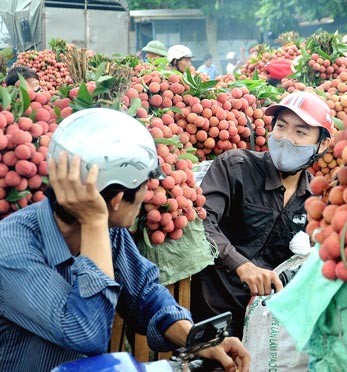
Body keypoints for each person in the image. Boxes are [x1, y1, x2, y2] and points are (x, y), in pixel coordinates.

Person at [0, 108, 249, 372]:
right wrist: (95, 224)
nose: (146, 196)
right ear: (117, 200)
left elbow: (146, 294)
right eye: (145, 185)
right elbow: (87, 333)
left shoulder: (110, 230)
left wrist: (194, 339)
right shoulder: (11, 248)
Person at [190, 92, 333, 338]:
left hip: (269, 326)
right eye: (281, 127)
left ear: (322, 145)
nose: (286, 139)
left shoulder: (315, 201)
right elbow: (202, 221)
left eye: (300, 132)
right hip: (212, 311)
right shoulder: (234, 166)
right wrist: (240, 265)